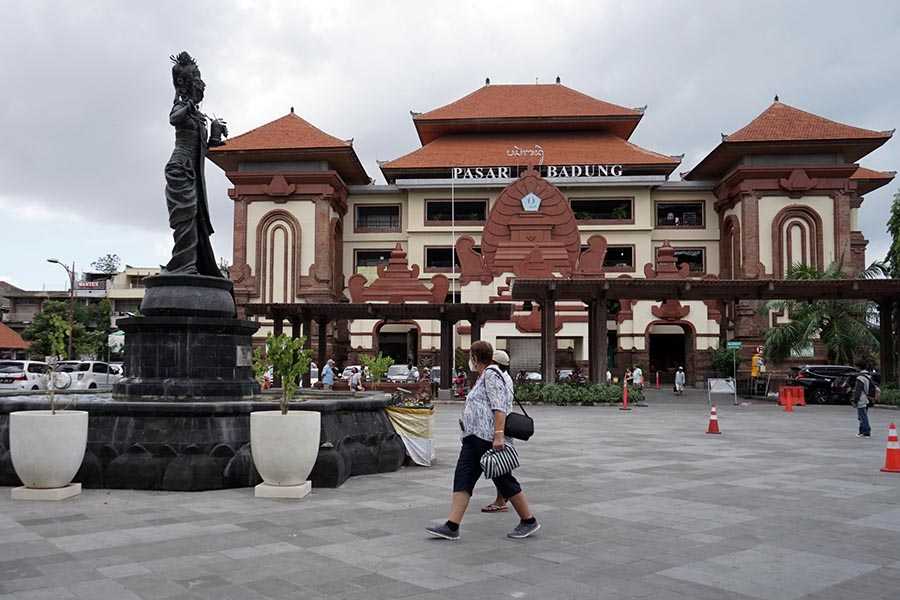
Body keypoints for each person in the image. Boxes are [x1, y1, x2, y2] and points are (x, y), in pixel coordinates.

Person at [427, 341, 539, 540]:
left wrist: (498, 435)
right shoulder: (484, 376)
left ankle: (528, 520)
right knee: (463, 478)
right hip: (473, 438)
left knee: (504, 480)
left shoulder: (491, 375)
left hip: (487, 438)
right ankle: (452, 525)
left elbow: (499, 407)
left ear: (475, 357)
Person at [482, 350, 515, 514]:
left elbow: (498, 407)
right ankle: (504, 497)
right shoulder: (506, 377)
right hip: (503, 426)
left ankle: (502, 499)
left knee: (499, 465)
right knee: (501, 463)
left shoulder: (496, 378)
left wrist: (498, 433)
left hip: (498, 427)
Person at [853, 370, 877, 437]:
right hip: (866, 399)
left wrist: (855, 401)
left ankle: (866, 432)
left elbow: (858, 391)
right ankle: (861, 431)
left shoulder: (860, 378)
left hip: (861, 400)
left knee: (863, 416)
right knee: (862, 416)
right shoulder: (869, 378)